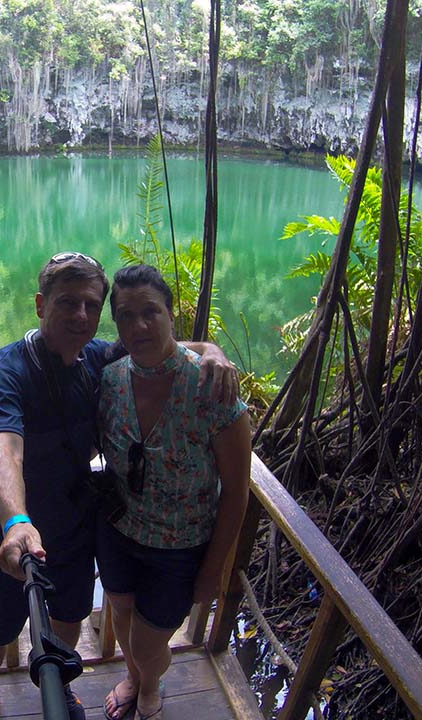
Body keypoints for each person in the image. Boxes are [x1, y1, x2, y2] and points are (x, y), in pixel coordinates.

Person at [0, 253, 241, 720]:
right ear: (40, 304)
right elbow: (3, 452)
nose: (81, 316)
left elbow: (157, 345)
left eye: (92, 306)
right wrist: (14, 518)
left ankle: (66, 685)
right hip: (16, 533)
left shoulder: (98, 358)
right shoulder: (6, 373)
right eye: (67, 303)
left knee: (69, 616)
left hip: (77, 525)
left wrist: (211, 350)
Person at [96, 265, 252, 720]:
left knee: (149, 643)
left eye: (151, 312)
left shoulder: (211, 387)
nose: (139, 326)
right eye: (126, 316)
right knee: (123, 617)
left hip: (179, 546)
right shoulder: (110, 380)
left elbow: (236, 493)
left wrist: (212, 570)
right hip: (119, 529)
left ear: (170, 315)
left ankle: (149, 681)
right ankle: (134, 678)